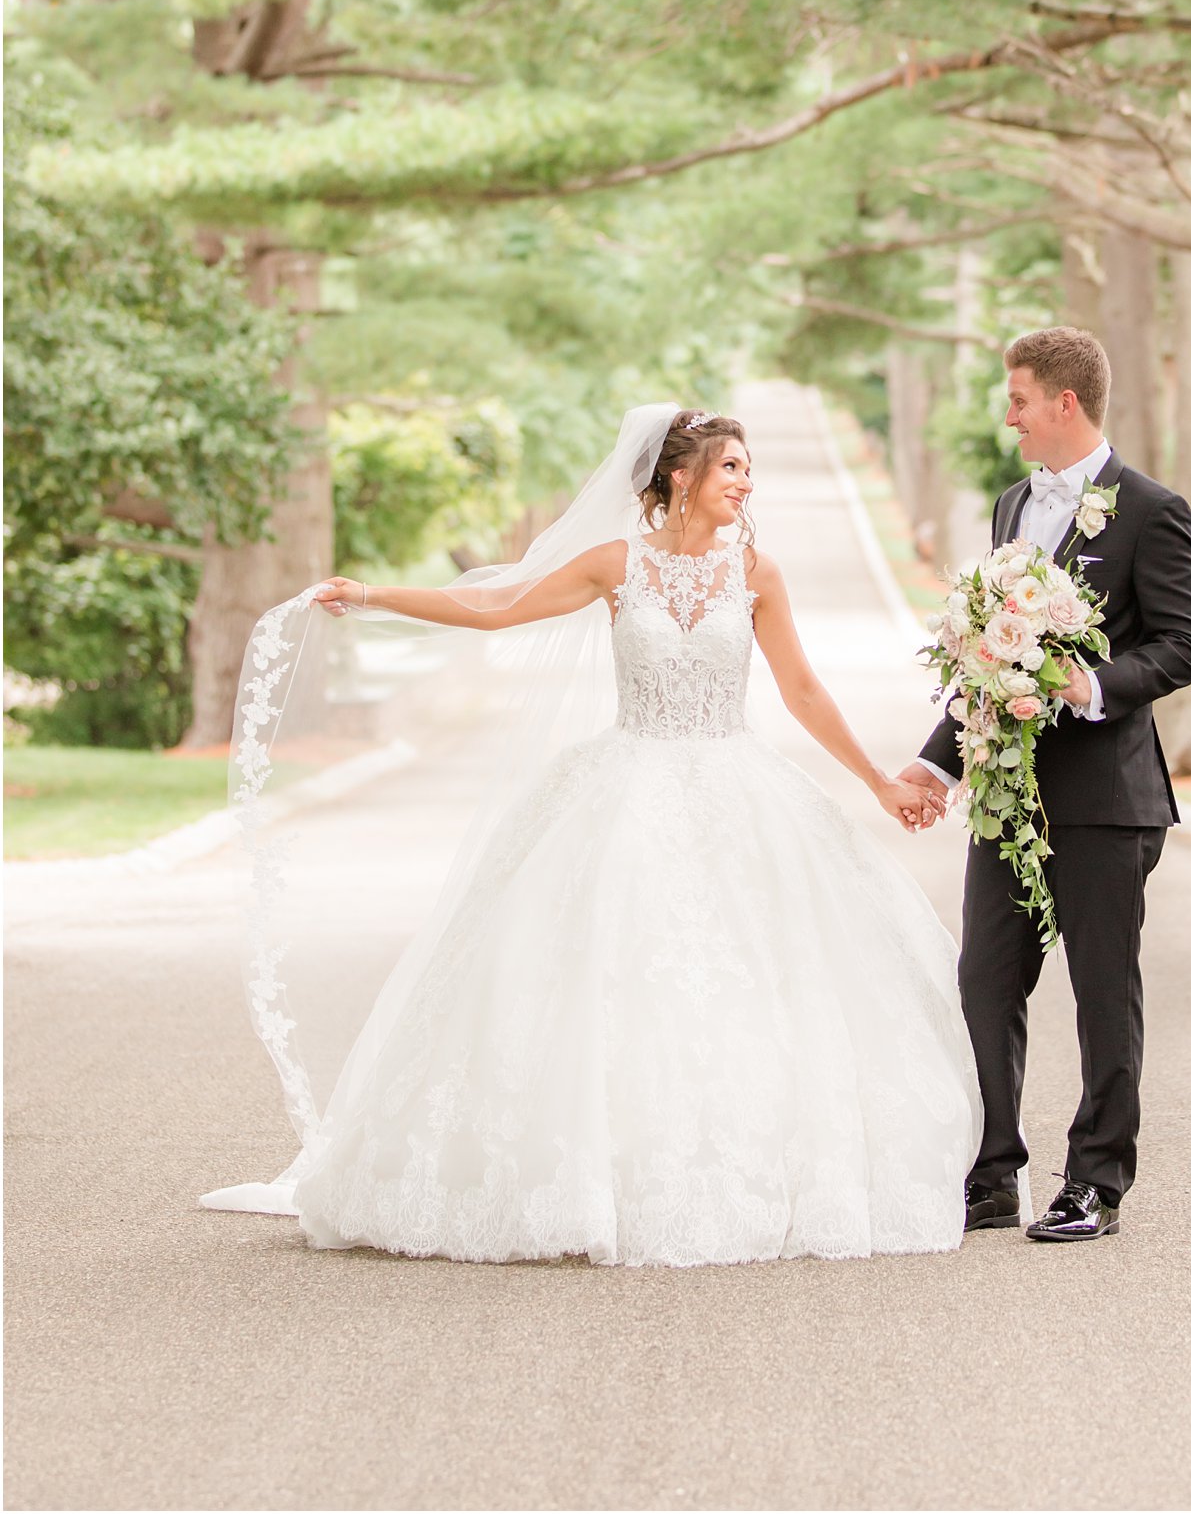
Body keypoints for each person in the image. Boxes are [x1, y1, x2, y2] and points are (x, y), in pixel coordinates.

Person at [203, 406, 981, 1268]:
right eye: (732, 467)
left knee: (751, 976)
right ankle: (583, 1178)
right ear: (680, 476)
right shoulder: (616, 566)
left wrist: (876, 780)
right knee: (598, 972)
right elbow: (496, 607)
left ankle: (747, 1169)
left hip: (736, 788)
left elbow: (799, 687)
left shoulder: (757, 572)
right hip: (625, 788)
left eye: (747, 469)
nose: (746, 483)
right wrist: (375, 593)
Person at [900, 329, 1191, 1244]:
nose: (1009, 414)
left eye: (1020, 398)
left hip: (1108, 798)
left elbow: (1186, 643)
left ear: (1064, 403)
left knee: (1102, 992)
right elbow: (991, 661)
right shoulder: (1009, 507)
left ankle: (1097, 1182)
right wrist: (934, 759)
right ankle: (995, 1171)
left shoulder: (1153, 510)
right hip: (1008, 794)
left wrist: (1092, 685)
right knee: (985, 982)